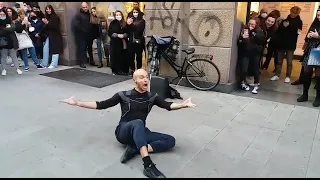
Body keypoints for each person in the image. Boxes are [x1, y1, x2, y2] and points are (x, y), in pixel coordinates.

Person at [60, 69, 196, 178]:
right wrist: (77, 103)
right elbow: (101, 104)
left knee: (170, 140)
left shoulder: (152, 97)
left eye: (147, 77)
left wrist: (183, 105)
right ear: (134, 80)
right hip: (123, 131)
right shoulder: (123, 95)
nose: (145, 80)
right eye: (141, 77)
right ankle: (148, 165)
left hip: (139, 131)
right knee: (137, 123)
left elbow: (167, 105)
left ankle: (136, 147)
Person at [271, 6, 303, 83]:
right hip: (281, 44)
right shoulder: (285, 20)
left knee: (289, 62)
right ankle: (277, 74)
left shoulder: (299, 22)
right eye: (292, 12)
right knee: (279, 61)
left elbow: (299, 32)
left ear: (298, 13)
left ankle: (288, 76)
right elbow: (279, 31)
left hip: (291, 45)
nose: (293, 14)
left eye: (295, 13)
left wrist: (290, 26)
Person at [297, 9, 320, 107]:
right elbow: (306, 38)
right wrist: (309, 36)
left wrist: (318, 36)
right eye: (318, 15)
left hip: (319, 51)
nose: (319, 17)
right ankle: (305, 94)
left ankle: (318, 97)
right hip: (310, 50)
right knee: (307, 72)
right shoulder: (314, 23)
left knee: (318, 75)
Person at [238, 17, 266, 94]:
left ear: (256, 24)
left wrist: (253, 33)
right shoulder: (244, 30)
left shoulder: (259, 31)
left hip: (255, 53)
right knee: (244, 69)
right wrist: (242, 39)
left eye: (253, 24)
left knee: (255, 69)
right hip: (245, 53)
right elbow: (240, 41)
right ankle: (242, 83)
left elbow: (262, 40)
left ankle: (256, 84)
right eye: (249, 23)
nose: (250, 25)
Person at [0, 9, 23, 76]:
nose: (2, 16)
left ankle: (17, 69)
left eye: (3, 14)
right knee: (3, 57)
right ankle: (4, 69)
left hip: (11, 41)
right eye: (0, 15)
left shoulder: (9, 21)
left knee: (14, 56)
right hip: (2, 42)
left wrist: (3, 29)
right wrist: (6, 30)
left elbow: (13, 28)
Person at [108, 10, 130, 75]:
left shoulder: (124, 23)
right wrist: (117, 35)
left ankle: (123, 70)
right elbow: (110, 32)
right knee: (115, 56)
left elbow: (127, 32)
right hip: (115, 43)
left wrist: (124, 35)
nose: (118, 16)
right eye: (117, 15)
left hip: (123, 43)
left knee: (123, 56)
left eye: (119, 14)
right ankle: (115, 70)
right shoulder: (113, 23)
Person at [127, 7, 146, 75]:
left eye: (136, 12)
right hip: (131, 41)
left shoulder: (141, 20)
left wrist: (131, 24)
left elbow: (139, 30)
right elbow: (127, 30)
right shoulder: (130, 19)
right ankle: (132, 69)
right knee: (131, 56)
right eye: (134, 12)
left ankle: (139, 69)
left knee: (139, 57)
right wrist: (128, 24)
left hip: (138, 41)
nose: (135, 14)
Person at [72, 2, 91, 68]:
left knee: (89, 48)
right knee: (81, 49)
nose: (85, 8)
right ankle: (81, 62)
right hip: (81, 35)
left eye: (86, 7)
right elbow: (76, 25)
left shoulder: (89, 14)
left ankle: (91, 61)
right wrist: (83, 30)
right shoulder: (78, 15)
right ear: (81, 7)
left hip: (88, 35)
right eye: (84, 7)